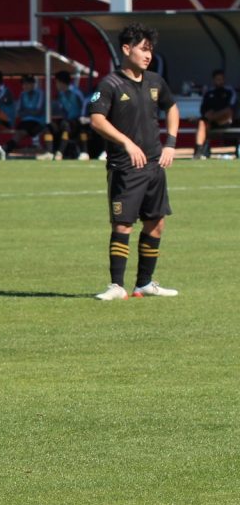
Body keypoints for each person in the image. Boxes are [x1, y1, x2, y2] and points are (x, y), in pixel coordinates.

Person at [87, 23, 180, 301]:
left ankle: (145, 284)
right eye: (143, 49)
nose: (148, 55)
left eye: (150, 50)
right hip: (125, 167)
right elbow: (96, 120)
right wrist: (126, 143)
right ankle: (116, 285)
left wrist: (171, 144)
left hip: (154, 166)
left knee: (156, 223)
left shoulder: (155, 81)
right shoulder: (109, 84)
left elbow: (172, 107)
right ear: (127, 49)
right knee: (123, 224)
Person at [193, 69, 236, 159]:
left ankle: (204, 119)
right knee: (202, 123)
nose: (219, 81)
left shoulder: (230, 91)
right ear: (214, 80)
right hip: (210, 122)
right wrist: (207, 114)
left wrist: (213, 114)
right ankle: (198, 152)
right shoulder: (209, 93)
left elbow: (231, 108)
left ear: (224, 80)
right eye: (217, 79)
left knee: (227, 112)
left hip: (225, 120)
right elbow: (203, 109)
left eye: (221, 79)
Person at [51, 71, 88, 160]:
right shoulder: (60, 95)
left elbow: (85, 105)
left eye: (57, 82)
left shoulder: (76, 92)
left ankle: (61, 153)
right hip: (67, 120)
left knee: (67, 125)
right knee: (49, 126)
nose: (56, 85)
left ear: (61, 82)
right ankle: (49, 152)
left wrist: (83, 117)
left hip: (80, 121)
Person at [11, 75, 49, 156]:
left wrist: (26, 111)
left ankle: (37, 146)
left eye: (27, 84)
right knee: (18, 133)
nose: (24, 86)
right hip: (25, 122)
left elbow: (38, 111)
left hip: (38, 122)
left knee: (25, 131)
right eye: (23, 84)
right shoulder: (22, 95)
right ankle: (6, 148)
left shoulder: (40, 93)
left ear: (33, 84)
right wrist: (30, 111)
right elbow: (19, 112)